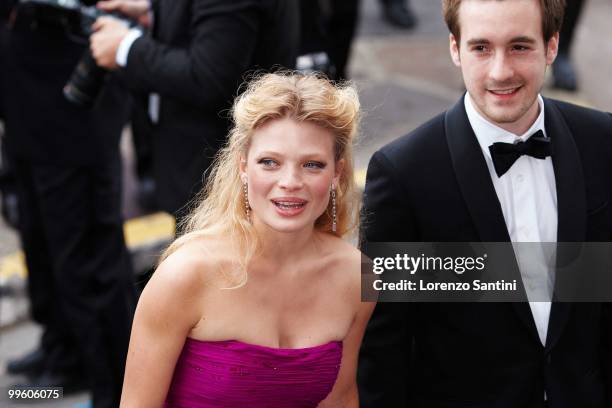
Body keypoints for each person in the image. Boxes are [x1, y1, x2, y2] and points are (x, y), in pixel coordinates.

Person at [358, 0, 612, 407]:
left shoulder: (603, 143)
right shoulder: (404, 173)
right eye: (481, 48)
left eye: (519, 47)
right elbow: (384, 348)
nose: (500, 71)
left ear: (551, 46)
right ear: (455, 49)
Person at [120, 72, 375, 407]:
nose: (290, 182)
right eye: (269, 162)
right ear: (243, 166)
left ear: (337, 174)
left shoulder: (358, 276)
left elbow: (340, 398)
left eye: (312, 165)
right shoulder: (186, 274)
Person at [2, 0, 136, 406]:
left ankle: (114, 390)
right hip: (27, 86)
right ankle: (67, 356)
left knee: (86, 260)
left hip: (73, 98)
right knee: (43, 242)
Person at [90, 0, 299, 219]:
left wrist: (127, 48)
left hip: (221, 180)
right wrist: (155, 10)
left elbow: (208, 77)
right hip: (209, 174)